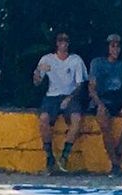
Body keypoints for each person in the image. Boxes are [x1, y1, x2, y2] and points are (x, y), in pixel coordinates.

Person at [33, 32, 88, 174]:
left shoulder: (75, 60)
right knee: (44, 119)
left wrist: (69, 98)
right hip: (52, 96)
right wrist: (39, 71)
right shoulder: (47, 59)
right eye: (60, 41)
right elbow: (37, 82)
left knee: (76, 119)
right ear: (56, 43)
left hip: (70, 95)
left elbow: (80, 84)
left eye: (66, 41)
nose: (63, 43)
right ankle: (49, 157)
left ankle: (64, 156)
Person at [89, 34, 122, 176]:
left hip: (118, 99)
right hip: (101, 99)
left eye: (118, 46)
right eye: (113, 46)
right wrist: (99, 104)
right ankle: (114, 163)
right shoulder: (97, 63)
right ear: (107, 47)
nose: (116, 49)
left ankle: (118, 150)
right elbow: (92, 88)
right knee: (104, 124)